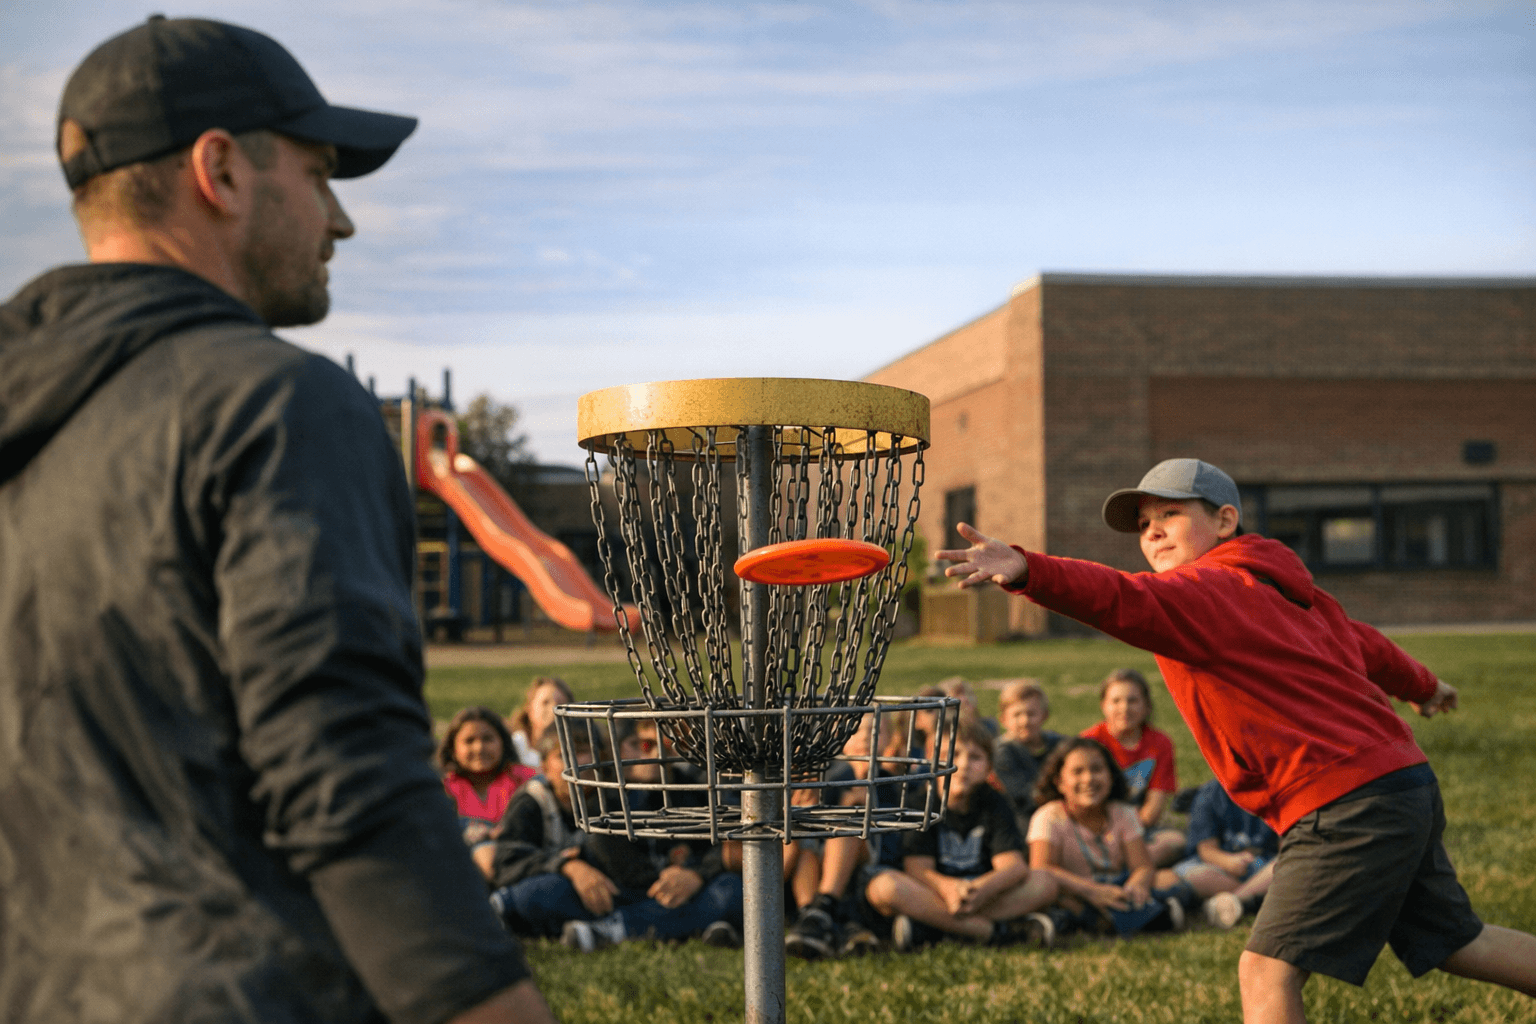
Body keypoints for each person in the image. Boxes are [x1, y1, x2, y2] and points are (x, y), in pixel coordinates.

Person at [0, 16, 554, 1024]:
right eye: (320, 173)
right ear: (221, 170)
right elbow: (345, 780)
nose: (339, 220)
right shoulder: (277, 406)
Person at [939, 457, 1536, 1022]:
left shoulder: (1206, 591)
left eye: (1171, 515)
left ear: (1225, 519)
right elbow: (1363, 643)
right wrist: (1424, 685)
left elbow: (1124, 599)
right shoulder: (1288, 590)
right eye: (1144, 526)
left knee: (1265, 971)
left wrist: (1028, 569)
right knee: (1460, 942)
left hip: (1343, 801)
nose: (1153, 533)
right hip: (1400, 783)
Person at [488, 724, 743, 952]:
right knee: (541, 892)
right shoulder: (600, 798)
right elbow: (510, 857)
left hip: (679, 890)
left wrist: (695, 874)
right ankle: (669, 923)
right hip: (614, 892)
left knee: (732, 891)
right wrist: (571, 867)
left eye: (663, 744)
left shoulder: (692, 790)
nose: (654, 754)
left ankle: (611, 930)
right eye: (641, 744)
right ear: (616, 751)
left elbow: (723, 846)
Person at [865, 716, 1058, 950]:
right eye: (953, 755)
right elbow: (917, 868)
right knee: (885, 887)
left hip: (982, 893)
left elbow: (1013, 866)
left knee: (1045, 883)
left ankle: (933, 927)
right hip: (935, 891)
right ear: (931, 758)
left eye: (975, 757)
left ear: (988, 767)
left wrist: (980, 890)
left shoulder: (994, 802)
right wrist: (948, 888)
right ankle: (992, 931)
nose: (963, 765)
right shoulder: (920, 802)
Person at [1026, 737, 1190, 938]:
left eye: (1096, 770)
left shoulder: (1123, 813)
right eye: (1078, 772)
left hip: (1116, 886)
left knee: (1169, 880)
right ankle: (1117, 920)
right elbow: (1041, 868)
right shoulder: (1048, 816)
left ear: (1111, 777)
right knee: (1054, 897)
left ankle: (1116, 918)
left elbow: (1142, 865)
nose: (1088, 779)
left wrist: (1136, 885)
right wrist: (1092, 891)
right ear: (1059, 782)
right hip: (1073, 888)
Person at [1080, 668, 1186, 866]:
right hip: (1095, 828)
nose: (1125, 708)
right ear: (1104, 705)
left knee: (1175, 842)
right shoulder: (1089, 741)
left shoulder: (1160, 743)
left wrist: (1129, 835)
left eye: (1133, 700)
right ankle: (1132, 866)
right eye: (1116, 701)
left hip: (1140, 828)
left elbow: (1152, 809)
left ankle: (1118, 866)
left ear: (1146, 706)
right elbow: (1082, 804)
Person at [1171, 780, 1279, 930]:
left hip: (1262, 865)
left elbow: (1287, 848)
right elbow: (1206, 849)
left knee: (1283, 866)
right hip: (1221, 866)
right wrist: (1228, 861)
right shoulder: (1210, 793)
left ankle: (1234, 900)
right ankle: (1253, 897)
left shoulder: (1276, 791)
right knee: (1191, 874)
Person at [440, 706, 538, 847]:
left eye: (488, 739)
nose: (479, 748)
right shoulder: (442, 789)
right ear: (453, 749)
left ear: (503, 743)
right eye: (469, 741)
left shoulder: (529, 781)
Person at [991, 680, 1064, 830]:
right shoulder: (1001, 752)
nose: (1025, 721)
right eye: (1017, 714)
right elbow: (1025, 797)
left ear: (1045, 715)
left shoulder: (1059, 744)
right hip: (1020, 822)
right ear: (1003, 719)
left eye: (1031, 714)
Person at [507, 677, 574, 769]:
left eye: (560, 704)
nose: (553, 709)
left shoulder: (577, 751)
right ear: (529, 708)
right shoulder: (512, 747)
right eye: (545, 703)